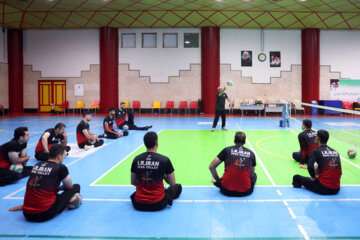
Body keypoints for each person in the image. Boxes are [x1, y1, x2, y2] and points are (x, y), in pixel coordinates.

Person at [8, 144, 81, 222]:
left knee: (41, 191)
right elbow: (69, 186)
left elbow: (35, 185)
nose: (64, 157)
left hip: (27, 214)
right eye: (64, 155)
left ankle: (28, 206)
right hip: (44, 213)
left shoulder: (36, 165)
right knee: (76, 186)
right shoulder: (61, 167)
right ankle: (64, 205)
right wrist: (60, 188)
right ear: (59, 156)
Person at [130, 132, 182, 211]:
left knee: (135, 194)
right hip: (158, 203)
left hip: (138, 204)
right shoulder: (165, 160)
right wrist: (163, 176)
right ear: (156, 142)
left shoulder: (136, 159)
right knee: (178, 187)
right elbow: (172, 183)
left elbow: (133, 182)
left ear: (145, 143)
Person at [292, 130, 342, 195]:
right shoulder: (335, 152)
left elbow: (310, 166)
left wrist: (313, 177)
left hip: (323, 188)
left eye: (316, 137)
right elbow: (340, 172)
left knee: (296, 177)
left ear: (317, 138)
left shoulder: (315, 151)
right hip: (336, 189)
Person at [209, 131, 257, 196]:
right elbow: (251, 174)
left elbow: (211, 167)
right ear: (245, 142)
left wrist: (218, 180)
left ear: (234, 140)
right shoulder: (251, 153)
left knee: (226, 175)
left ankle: (219, 182)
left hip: (225, 190)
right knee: (254, 175)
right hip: (245, 192)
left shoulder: (227, 150)